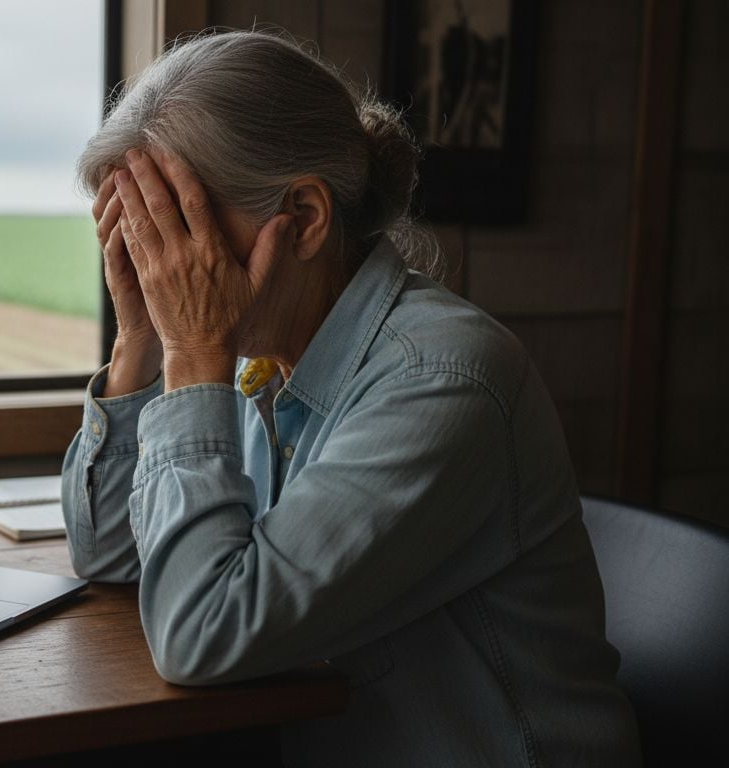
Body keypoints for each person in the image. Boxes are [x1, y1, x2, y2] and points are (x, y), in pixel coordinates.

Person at [60, 30, 639, 766]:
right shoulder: (255, 360)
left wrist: (192, 351)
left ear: (303, 218)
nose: (161, 258)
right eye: (145, 231)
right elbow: (107, 551)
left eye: (182, 224)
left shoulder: (442, 381)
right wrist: (138, 342)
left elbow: (200, 634)